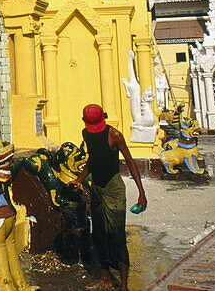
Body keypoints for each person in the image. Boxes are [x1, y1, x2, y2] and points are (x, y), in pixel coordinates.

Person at [72, 103, 147, 291]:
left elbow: (130, 161)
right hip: (97, 187)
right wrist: (80, 180)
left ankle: (123, 286)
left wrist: (141, 192)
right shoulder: (86, 134)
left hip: (114, 188)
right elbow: (93, 159)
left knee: (117, 236)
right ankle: (105, 278)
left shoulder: (114, 135)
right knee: (98, 234)